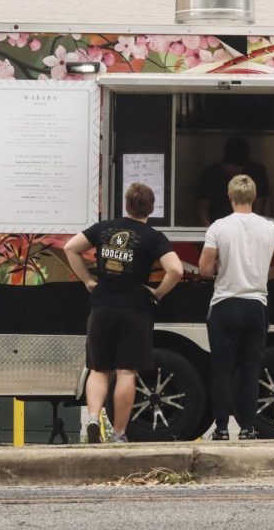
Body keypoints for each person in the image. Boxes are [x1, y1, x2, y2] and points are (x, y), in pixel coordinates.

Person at [64, 182, 183, 444]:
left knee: (98, 369)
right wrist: (159, 292)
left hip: (102, 305)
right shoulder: (153, 237)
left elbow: (70, 248)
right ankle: (118, 433)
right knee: (127, 372)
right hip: (135, 309)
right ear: (150, 208)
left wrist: (87, 280)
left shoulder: (104, 228)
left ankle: (93, 420)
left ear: (126, 205)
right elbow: (176, 270)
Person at [198, 174, 274, 440]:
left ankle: (220, 429)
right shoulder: (270, 228)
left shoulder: (218, 227)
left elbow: (205, 268)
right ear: (254, 198)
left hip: (224, 306)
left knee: (222, 370)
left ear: (230, 197)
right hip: (255, 306)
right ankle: (248, 428)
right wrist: (267, 274)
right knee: (250, 371)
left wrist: (222, 267)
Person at [196, 136, 270, 225]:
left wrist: (254, 228)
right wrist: (209, 229)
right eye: (230, 166)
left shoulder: (256, 172)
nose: (234, 170)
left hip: (248, 227)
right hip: (217, 227)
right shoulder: (210, 174)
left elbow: (261, 205)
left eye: (239, 167)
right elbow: (202, 207)